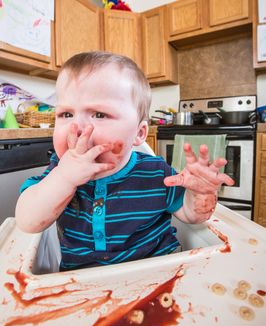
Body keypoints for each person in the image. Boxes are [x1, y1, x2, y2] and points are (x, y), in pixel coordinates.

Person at [15, 51, 234, 271]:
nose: (77, 129)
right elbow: (28, 221)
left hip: (160, 276)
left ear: (139, 133)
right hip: (83, 286)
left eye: (99, 114)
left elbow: (190, 215)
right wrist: (64, 178)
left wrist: (201, 195)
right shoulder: (58, 173)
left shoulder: (156, 173)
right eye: (66, 114)